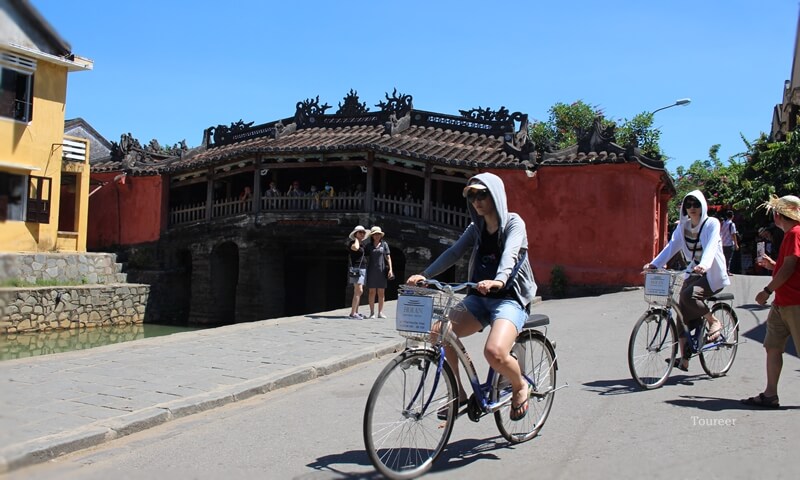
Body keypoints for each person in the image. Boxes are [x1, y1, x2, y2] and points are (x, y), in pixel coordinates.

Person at [407, 172, 536, 421]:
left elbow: (510, 254)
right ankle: (458, 393)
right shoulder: (475, 228)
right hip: (479, 297)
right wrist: (424, 274)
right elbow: (454, 253)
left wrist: (499, 280)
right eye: (472, 195)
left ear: (496, 195)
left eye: (482, 194)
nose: (477, 200)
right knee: (438, 331)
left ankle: (520, 385)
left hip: (510, 299)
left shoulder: (513, 223)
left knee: (495, 353)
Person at [644, 190, 730, 372]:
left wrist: (705, 265)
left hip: (711, 273)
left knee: (688, 295)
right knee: (680, 312)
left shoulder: (711, 224)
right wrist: (654, 264)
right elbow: (672, 246)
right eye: (688, 205)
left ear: (703, 206)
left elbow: (712, 246)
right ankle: (684, 359)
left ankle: (713, 321)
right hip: (694, 271)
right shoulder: (683, 226)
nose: (692, 208)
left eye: (696, 204)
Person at [741, 195, 800, 408]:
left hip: (795, 302)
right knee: (772, 347)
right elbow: (787, 266)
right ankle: (770, 394)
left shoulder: (794, 233)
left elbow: (790, 266)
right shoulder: (791, 235)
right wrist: (773, 265)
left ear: (778, 215)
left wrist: (767, 290)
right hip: (782, 302)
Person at [365, 226, 393, 319]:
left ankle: (380, 312)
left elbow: (388, 257)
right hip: (371, 269)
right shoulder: (369, 246)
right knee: (372, 292)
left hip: (381, 269)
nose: (377, 236)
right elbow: (364, 257)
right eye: (375, 234)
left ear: (381, 235)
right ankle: (372, 312)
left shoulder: (384, 245)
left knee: (381, 292)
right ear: (372, 236)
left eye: (378, 234)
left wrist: (390, 269)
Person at [347, 225, 369, 319]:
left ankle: (356, 311)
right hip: (356, 269)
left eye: (363, 232)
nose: (363, 234)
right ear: (356, 234)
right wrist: (356, 239)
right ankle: (352, 313)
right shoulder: (352, 243)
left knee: (359, 291)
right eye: (360, 232)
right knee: (358, 290)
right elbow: (355, 248)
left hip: (362, 268)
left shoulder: (362, 244)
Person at [720, 210, 739, 275]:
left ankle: (723, 270)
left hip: (722, 243)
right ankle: (727, 271)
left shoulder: (723, 223)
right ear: (732, 216)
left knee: (723, 258)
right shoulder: (732, 224)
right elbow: (733, 234)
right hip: (729, 244)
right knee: (728, 258)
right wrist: (736, 244)